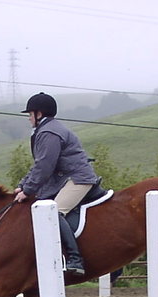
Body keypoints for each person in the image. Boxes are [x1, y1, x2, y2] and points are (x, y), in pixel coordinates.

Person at [14, 92, 99, 275]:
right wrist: (23, 185)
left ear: (39, 114)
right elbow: (39, 164)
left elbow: (45, 166)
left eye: (30, 114)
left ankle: (75, 259)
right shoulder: (47, 129)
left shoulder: (48, 132)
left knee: (53, 213)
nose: (28, 118)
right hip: (64, 178)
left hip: (77, 179)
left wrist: (27, 190)